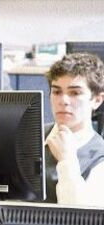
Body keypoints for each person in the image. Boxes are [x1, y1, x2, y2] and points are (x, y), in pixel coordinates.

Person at [44, 52, 104, 206]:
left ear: (97, 100)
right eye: (57, 92)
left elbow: (80, 220)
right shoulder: (29, 136)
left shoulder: (99, 158)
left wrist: (67, 160)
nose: (63, 101)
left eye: (75, 93)